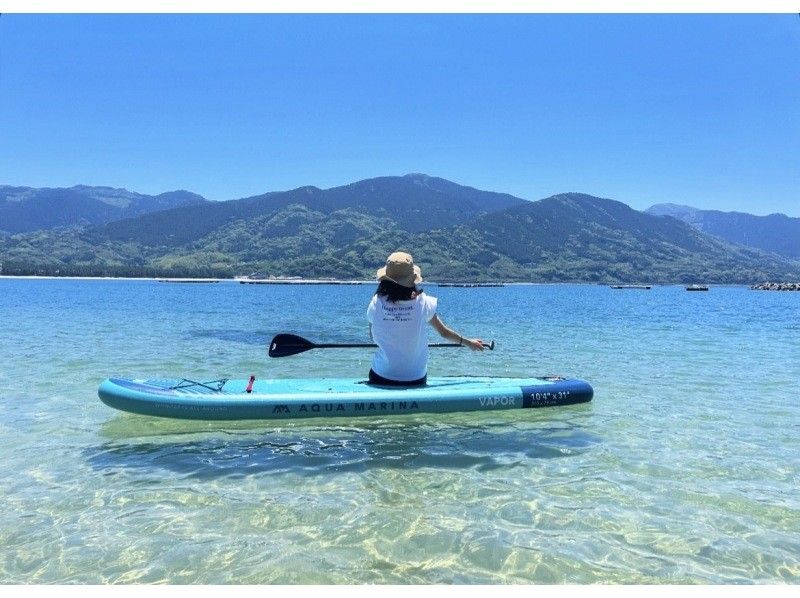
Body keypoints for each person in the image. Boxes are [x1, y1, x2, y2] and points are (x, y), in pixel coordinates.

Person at [366, 251, 485, 386]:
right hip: (416, 378)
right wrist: (469, 343)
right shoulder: (424, 302)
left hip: (381, 376)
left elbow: (373, 337)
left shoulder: (376, 303)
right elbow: (444, 333)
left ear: (385, 280)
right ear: (412, 280)